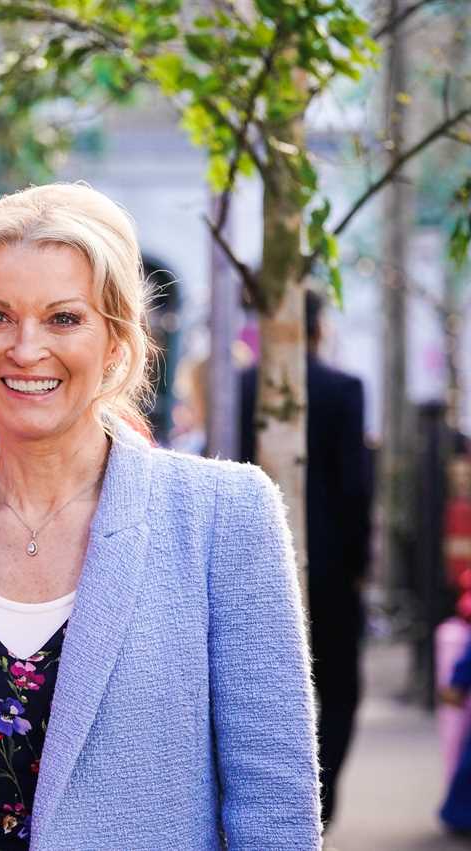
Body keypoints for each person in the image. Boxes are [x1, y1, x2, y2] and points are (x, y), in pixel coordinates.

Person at [0, 183, 320, 850]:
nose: (26, 347)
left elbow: (275, 805)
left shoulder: (225, 518)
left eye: (64, 318)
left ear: (118, 339)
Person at [240, 289, 372, 825]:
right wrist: (361, 561)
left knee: (261, 689)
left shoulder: (244, 385)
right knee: (338, 686)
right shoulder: (343, 388)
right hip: (331, 563)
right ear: (319, 329)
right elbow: (355, 486)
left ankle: (283, 813)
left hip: (250, 560)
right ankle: (322, 808)